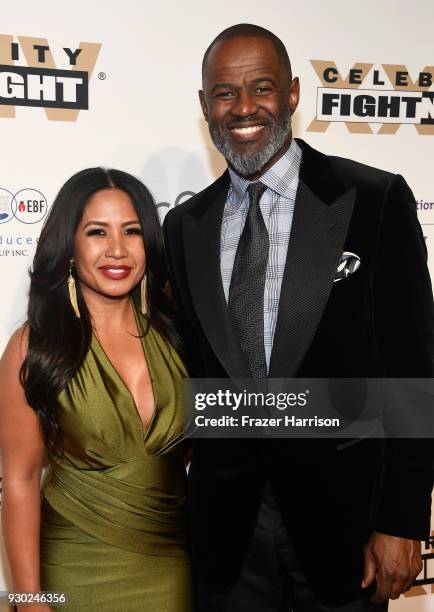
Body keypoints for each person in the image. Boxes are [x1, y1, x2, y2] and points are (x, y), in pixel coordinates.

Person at [163, 23, 434, 612]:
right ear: (205, 105)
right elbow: (191, 369)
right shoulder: (185, 228)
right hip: (228, 534)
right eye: (224, 93)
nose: (243, 108)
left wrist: (403, 520)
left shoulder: (374, 200)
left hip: (346, 528)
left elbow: (413, 372)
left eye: (261, 88)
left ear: (291, 95)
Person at [0, 168, 194, 612]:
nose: (117, 250)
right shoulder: (35, 347)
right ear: (69, 247)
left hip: (170, 571)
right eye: (96, 232)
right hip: (73, 569)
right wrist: (29, 599)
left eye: (132, 231)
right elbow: (21, 480)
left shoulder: (180, 341)